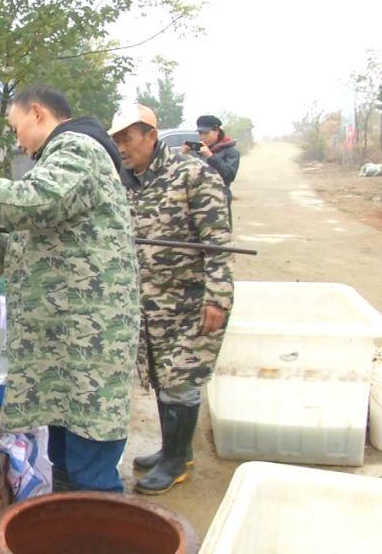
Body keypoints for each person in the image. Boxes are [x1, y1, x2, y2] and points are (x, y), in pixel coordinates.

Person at [0, 85, 140, 492]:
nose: (17, 139)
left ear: (38, 114)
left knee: (92, 473)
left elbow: (34, 203)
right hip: (67, 346)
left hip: (90, 345)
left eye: (16, 128)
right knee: (67, 463)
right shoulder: (58, 156)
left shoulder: (77, 148)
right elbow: (43, 241)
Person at [110, 103, 234, 495]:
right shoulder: (129, 181)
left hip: (191, 302)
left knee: (181, 381)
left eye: (127, 139)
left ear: (150, 135)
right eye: (117, 142)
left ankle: (178, 460)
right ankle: (172, 449)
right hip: (151, 303)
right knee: (164, 378)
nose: (122, 149)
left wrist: (217, 298)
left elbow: (217, 240)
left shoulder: (192, 174)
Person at [183, 115, 240, 211]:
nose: (203, 136)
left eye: (206, 133)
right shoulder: (197, 150)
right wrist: (184, 155)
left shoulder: (231, 152)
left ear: (217, 131)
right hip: (197, 198)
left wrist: (210, 156)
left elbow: (229, 176)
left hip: (219, 198)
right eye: (200, 133)